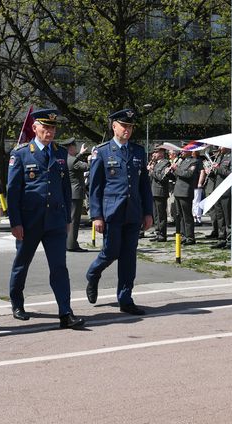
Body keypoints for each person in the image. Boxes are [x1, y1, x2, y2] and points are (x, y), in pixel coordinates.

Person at [7, 109, 85, 329]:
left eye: (52, 128)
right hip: (29, 221)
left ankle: (65, 312)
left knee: (59, 267)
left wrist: (67, 218)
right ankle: (17, 303)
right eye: (45, 127)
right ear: (35, 128)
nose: (49, 132)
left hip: (55, 221)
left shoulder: (60, 153)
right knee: (21, 264)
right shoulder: (21, 154)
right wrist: (16, 222)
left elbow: (65, 187)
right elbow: (13, 191)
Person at [85, 108, 153, 315]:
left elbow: (144, 185)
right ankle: (93, 273)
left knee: (128, 257)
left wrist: (148, 212)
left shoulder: (138, 151)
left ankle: (125, 298)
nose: (127, 130)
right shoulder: (102, 151)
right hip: (112, 212)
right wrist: (96, 215)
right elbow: (95, 186)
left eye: (130, 127)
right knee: (111, 252)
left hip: (133, 212)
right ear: (114, 126)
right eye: (124, 126)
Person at [64, 137, 90, 253]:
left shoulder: (67, 159)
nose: (76, 149)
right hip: (76, 193)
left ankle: (68, 243)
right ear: (70, 148)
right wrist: (91, 159)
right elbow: (86, 167)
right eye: (75, 147)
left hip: (70, 193)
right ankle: (72, 244)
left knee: (70, 220)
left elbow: (74, 162)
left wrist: (80, 154)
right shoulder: (73, 161)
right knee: (74, 221)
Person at [171, 148, 201, 245]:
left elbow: (188, 174)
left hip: (185, 191)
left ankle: (190, 237)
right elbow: (177, 175)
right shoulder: (181, 161)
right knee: (180, 216)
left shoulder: (194, 161)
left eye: (184, 151)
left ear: (189, 151)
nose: (181, 152)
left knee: (187, 216)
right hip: (178, 191)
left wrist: (176, 169)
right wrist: (172, 170)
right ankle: (183, 235)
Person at [148, 144, 172, 242]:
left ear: (161, 153)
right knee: (156, 214)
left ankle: (162, 234)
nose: (154, 154)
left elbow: (162, 177)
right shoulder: (156, 163)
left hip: (160, 191)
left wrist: (152, 171)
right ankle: (157, 232)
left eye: (156, 152)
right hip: (153, 191)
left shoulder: (166, 163)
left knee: (161, 214)